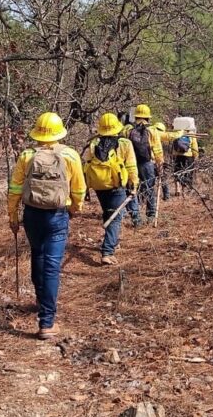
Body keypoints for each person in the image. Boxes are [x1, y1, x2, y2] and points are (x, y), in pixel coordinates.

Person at [7, 112, 86, 340]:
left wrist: (12, 216)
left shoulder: (27, 156)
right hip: (57, 216)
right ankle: (47, 322)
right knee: (51, 266)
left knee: (37, 255)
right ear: (59, 131)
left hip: (32, 215)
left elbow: (15, 189)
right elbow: (79, 190)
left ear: (38, 133)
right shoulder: (70, 155)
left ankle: (42, 302)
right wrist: (74, 209)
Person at [83, 112, 138, 265]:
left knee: (109, 213)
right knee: (116, 216)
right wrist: (134, 184)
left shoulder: (93, 144)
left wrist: (86, 188)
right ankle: (107, 251)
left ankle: (113, 241)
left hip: (99, 186)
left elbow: (85, 165)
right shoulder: (125, 143)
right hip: (116, 185)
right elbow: (131, 166)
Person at [125, 104, 164, 225]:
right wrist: (160, 164)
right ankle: (151, 215)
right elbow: (157, 150)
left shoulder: (127, 129)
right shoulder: (152, 130)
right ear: (148, 117)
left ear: (135, 116)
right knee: (149, 190)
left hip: (131, 164)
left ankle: (136, 218)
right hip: (147, 164)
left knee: (132, 190)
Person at [171, 115, 200, 190]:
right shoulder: (191, 133)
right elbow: (194, 147)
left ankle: (178, 188)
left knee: (177, 172)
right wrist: (196, 156)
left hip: (177, 155)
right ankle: (186, 189)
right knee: (188, 172)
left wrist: (173, 155)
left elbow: (173, 146)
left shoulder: (176, 133)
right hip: (188, 156)